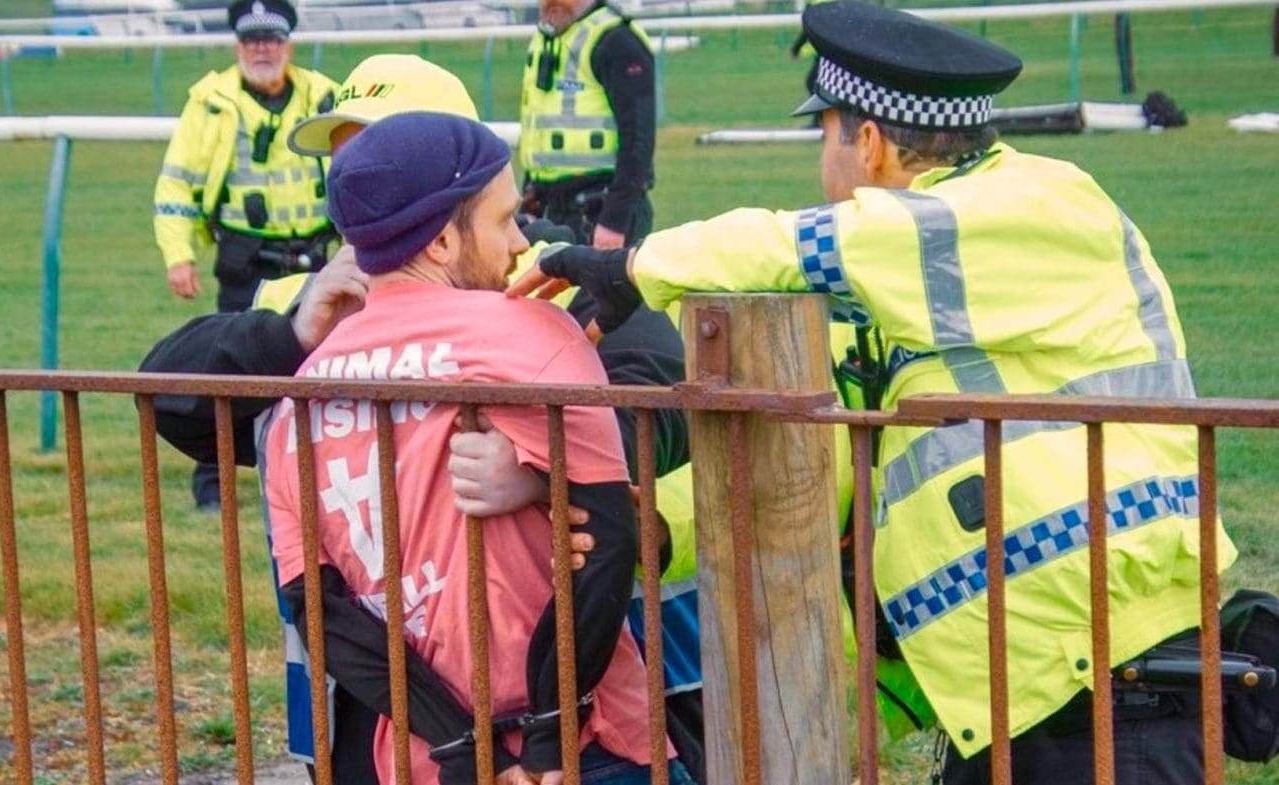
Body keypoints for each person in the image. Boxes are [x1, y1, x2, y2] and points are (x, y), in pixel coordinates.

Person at [509, 3, 1238, 783]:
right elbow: (812, 447)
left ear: (870, 143)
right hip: (1019, 687)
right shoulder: (908, 280)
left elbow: (804, 243)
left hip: (1110, 683)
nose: (822, 169)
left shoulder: (1035, 204)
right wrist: (656, 524)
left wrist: (634, 267)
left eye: (824, 136)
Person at [142, 53, 697, 781]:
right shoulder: (315, 300)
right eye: (343, 159)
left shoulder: (548, 279)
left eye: (381, 147)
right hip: (382, 715)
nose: (362, 178)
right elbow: (169, 396)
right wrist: (292, 336)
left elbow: (670, 400)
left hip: (583, 700)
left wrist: (536, 464)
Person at [263, 111, 679, 785]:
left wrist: (460, 745)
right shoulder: (533, 337)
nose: (521, 242)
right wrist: (546, 739)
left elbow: (323, 612)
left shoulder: (299, 399)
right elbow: (606, 546)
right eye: (504, 219)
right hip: (587, 746)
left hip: (427, 759)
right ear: (440, 242)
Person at [152, 0, 339, 511]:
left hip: (314, 259)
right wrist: (178, 254)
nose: (262, 49)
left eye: (271, 40)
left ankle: (315, 478)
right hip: (247, 261)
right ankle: (213, 487)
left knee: (318, 368)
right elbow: (176, 184)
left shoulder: (323, 96)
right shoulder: (211, 104)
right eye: (252, 40)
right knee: (230, 372)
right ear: (237, 46)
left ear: (288, 46)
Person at [519, 0, 657, 248]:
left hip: (601, 212)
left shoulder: (618, 40)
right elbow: (540, 134)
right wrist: (530, 204)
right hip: (552, 209)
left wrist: (615, 221)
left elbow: (638, 137)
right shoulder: (547, 39)